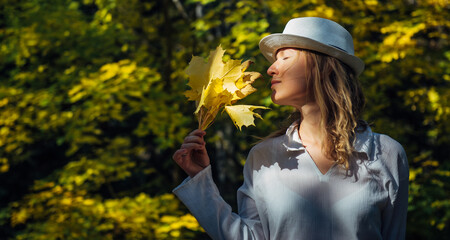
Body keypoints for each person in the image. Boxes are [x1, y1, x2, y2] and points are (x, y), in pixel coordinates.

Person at [172, 17, 409, 240]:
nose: (270, 69)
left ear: (324, 67)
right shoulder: (264, 157)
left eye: (285, 58)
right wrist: (200, 179)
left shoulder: (385, 153)